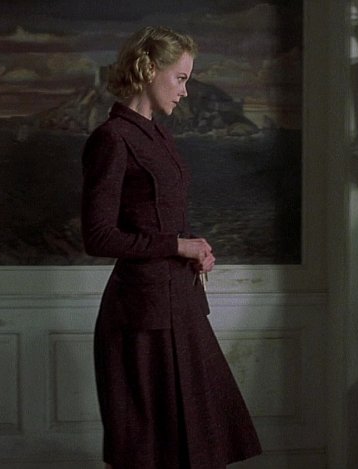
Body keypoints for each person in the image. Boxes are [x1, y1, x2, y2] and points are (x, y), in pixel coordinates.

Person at [80, 26, 262, 468]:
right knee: (152, 452)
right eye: (180, 78)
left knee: (201, 445)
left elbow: (163, 219)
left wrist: (196, 248)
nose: (185, 91)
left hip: (181, 304)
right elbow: (98, 236)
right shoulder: (112, 138)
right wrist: (177, 246)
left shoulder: (159, 136)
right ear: (148, 70)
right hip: (141, 315)